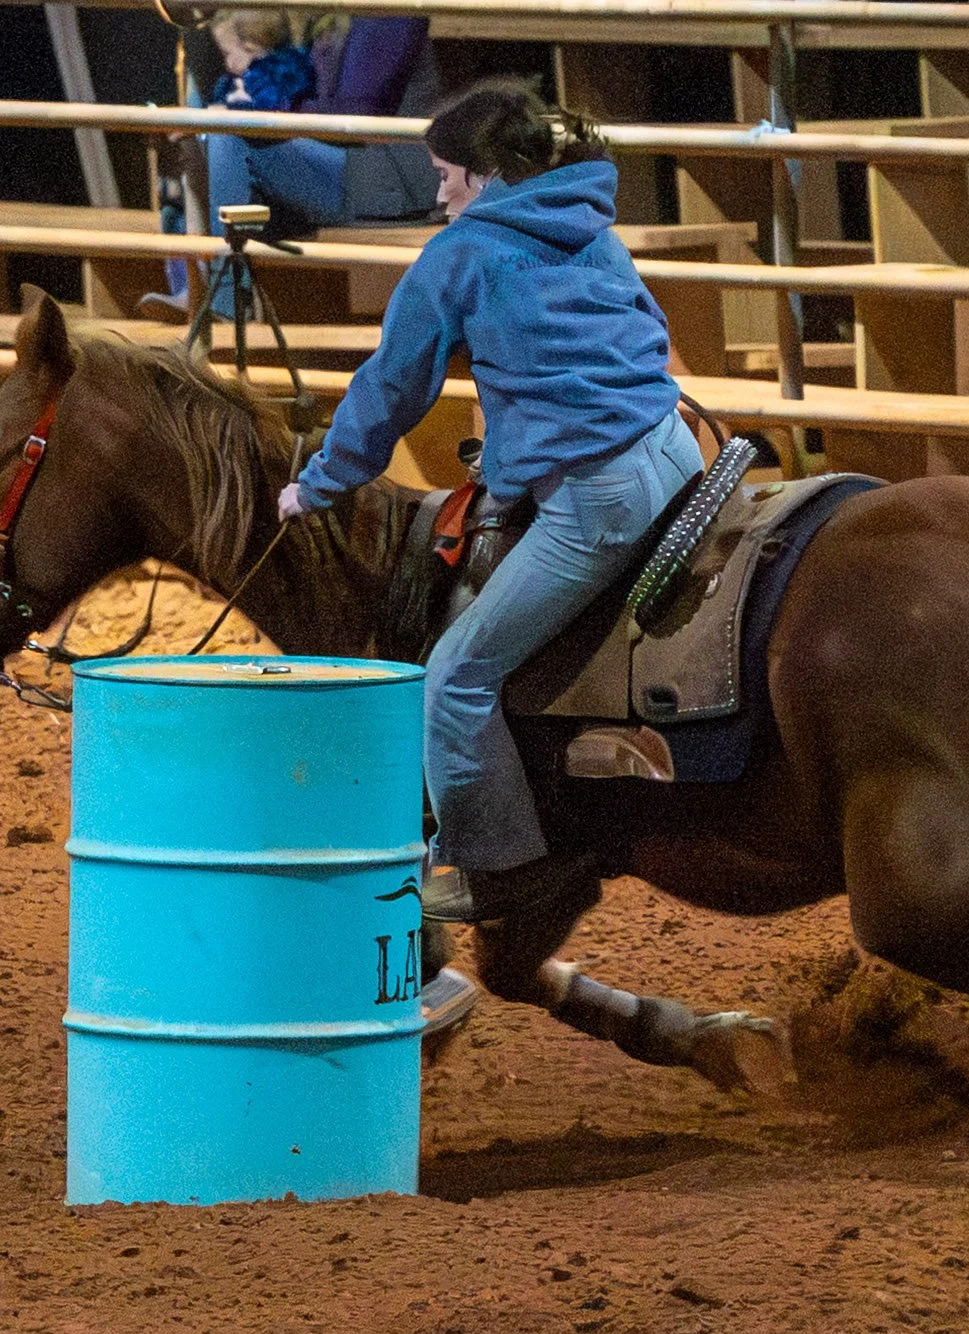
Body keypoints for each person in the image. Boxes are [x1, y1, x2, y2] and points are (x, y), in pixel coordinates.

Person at [275, 80, 702, 923]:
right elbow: (645, 332)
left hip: (597, 496)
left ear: (486, 174)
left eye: (446, 176)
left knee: (453, 678)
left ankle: (489, 864)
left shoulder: (457, 258)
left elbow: (392, 388)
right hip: (676, 449)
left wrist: (319, 481)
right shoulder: (589, 221)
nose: (438, 194)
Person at [146, 13, 441, 320]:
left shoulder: (387, 15)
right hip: (347, 166)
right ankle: (203, 282)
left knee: (229, 133)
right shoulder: (326, 15)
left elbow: (356, 112)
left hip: (390, 180)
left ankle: (228, 303)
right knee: (213, 129)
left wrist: (255, 111)